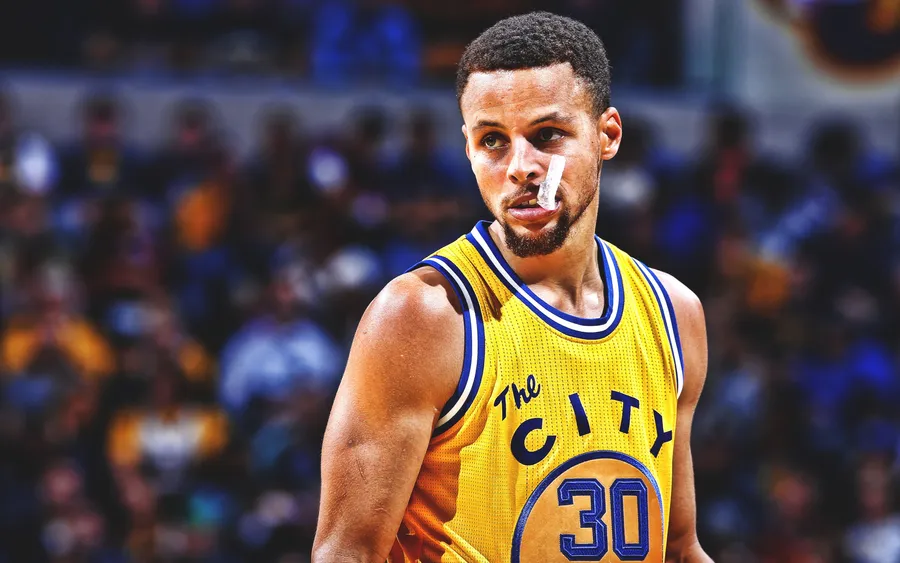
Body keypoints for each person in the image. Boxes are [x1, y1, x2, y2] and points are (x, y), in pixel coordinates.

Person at [313, 11, 711, 563]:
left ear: (607, 135)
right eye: (493, 140)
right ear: (468, 149)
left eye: (547, 136)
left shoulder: (674, 313)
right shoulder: (422, 315)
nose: (521, 167)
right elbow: (345, 554)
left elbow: (680, 549)